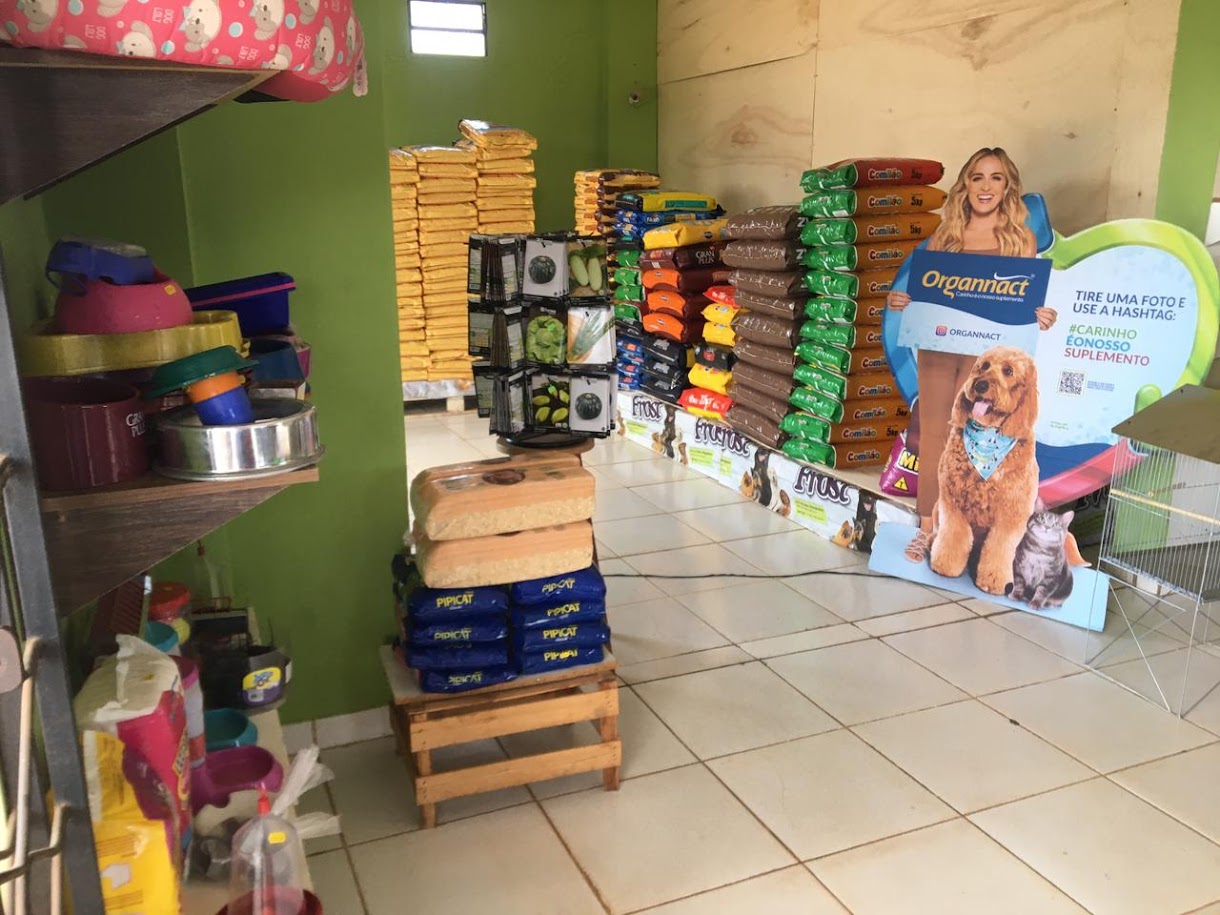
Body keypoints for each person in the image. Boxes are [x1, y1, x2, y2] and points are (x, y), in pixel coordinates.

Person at [886, 147, 1057, 562]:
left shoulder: (1021, 238)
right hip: (938, 347)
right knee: (935, 434)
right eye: (977, 177)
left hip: (985, 356)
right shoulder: (946, 234)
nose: (986, 186)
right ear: (966, 184)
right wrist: (902, 301)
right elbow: (925, 292)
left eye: (996, 178)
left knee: (974, 439)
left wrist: (1041, 315)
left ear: (1007, 186)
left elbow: (1025, 302)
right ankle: (927, 528)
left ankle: (973, 534)